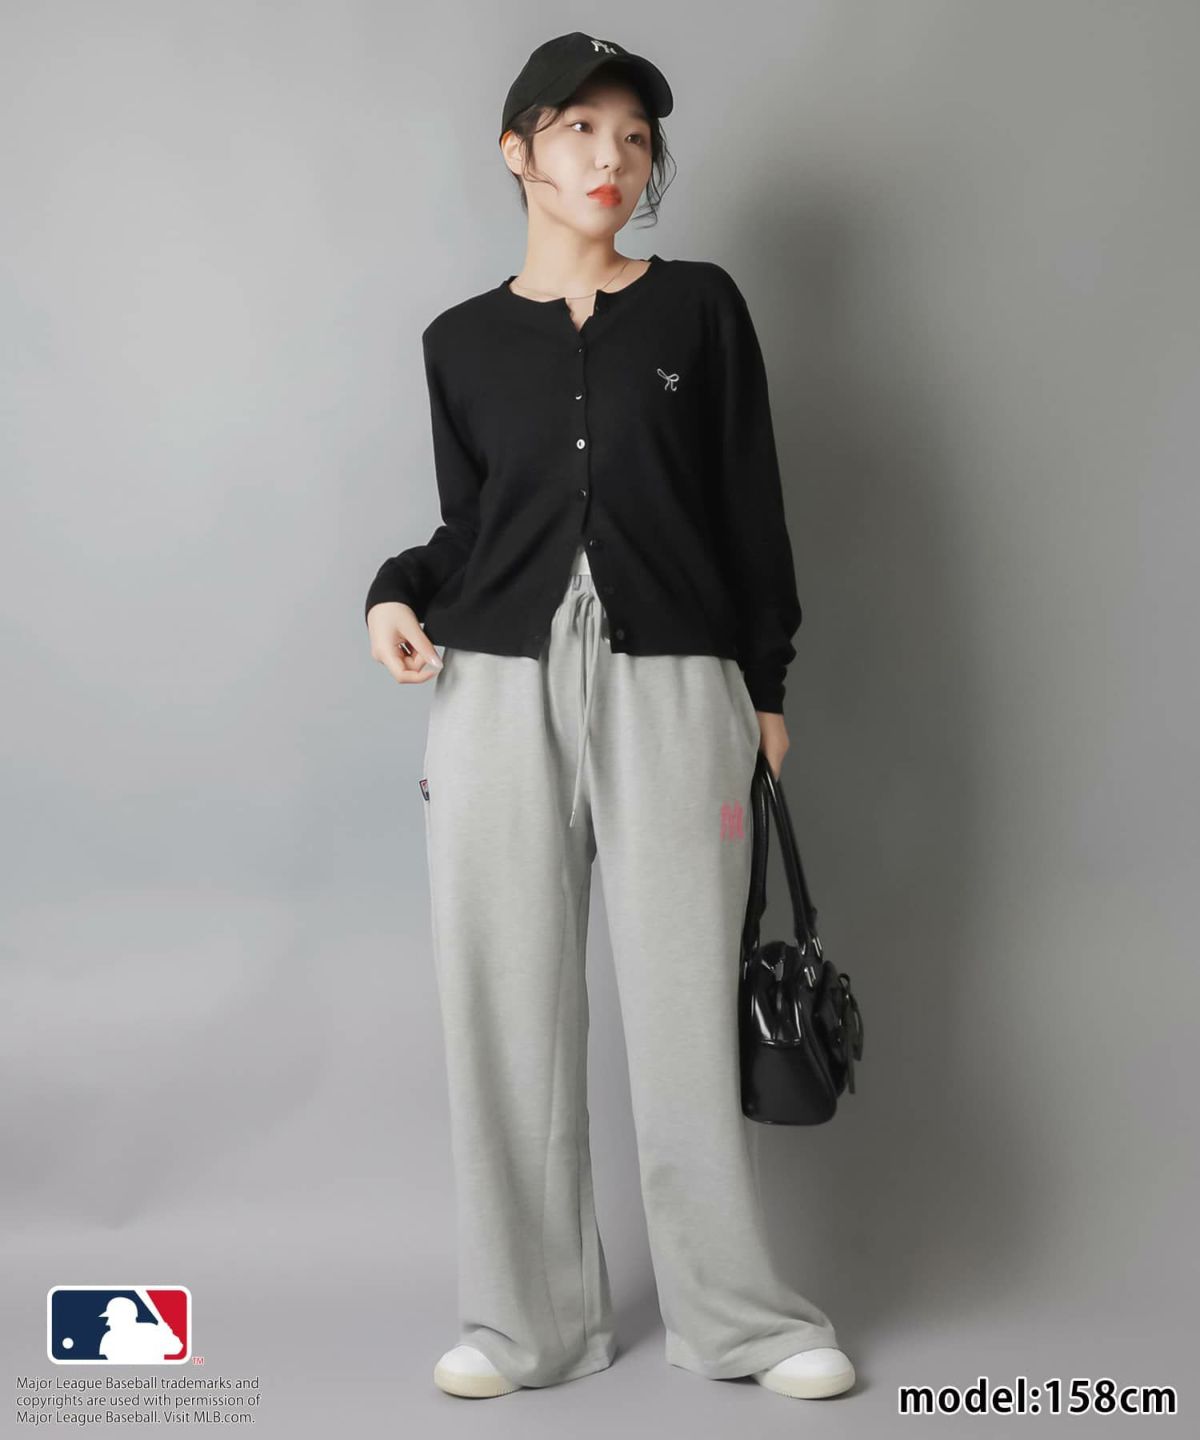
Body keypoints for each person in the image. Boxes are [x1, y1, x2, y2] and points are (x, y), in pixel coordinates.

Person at [365, 31, 855, 1403]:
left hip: (677, 686)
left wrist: (766, 689)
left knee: (687, 1002)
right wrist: (392, 591)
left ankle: (742, 1321)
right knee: (502, 1008)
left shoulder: (699, 309)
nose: (613, 156)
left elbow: (750, 510)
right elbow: (476, 530)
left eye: (634, 137)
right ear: (516, 150)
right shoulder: (459, 343)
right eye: (580, 128)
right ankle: (526, 1327)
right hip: (495, 690)